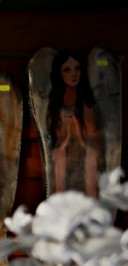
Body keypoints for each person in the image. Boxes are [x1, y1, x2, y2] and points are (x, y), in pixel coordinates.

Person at [47, 50, 101, 196]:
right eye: (67, 69)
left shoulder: (85, 100)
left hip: (84, 152)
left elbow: (91, 135)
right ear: (59, 73)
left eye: (77, 68)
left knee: (90, 163)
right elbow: (55, 133)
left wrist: (76, 127)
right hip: (63, 152)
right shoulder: (56, 101)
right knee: (59, 160)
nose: (73, 74)